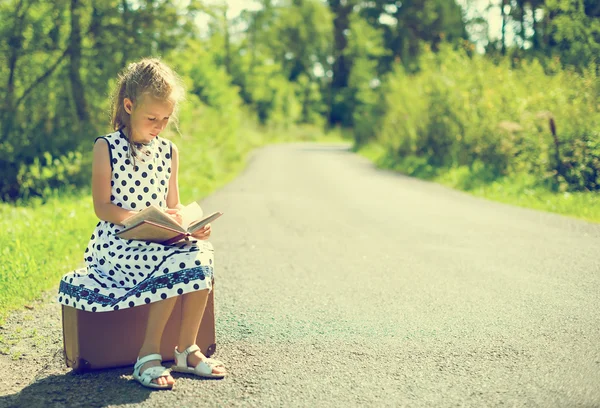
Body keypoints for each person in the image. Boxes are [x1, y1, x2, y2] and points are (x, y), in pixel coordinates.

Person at [57, 58, 226, 389]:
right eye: (152, 118)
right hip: (118, 243)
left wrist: (190, 225)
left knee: (201, 251)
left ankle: (186, 351)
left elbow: (172, 204)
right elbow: (102, 207)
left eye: (165, 119)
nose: (159, 126)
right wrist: (136, 218)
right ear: (129, 106)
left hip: (160, 237)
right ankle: (147, 355)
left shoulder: (169, 151)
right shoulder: (106, 147)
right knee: (173, 259)